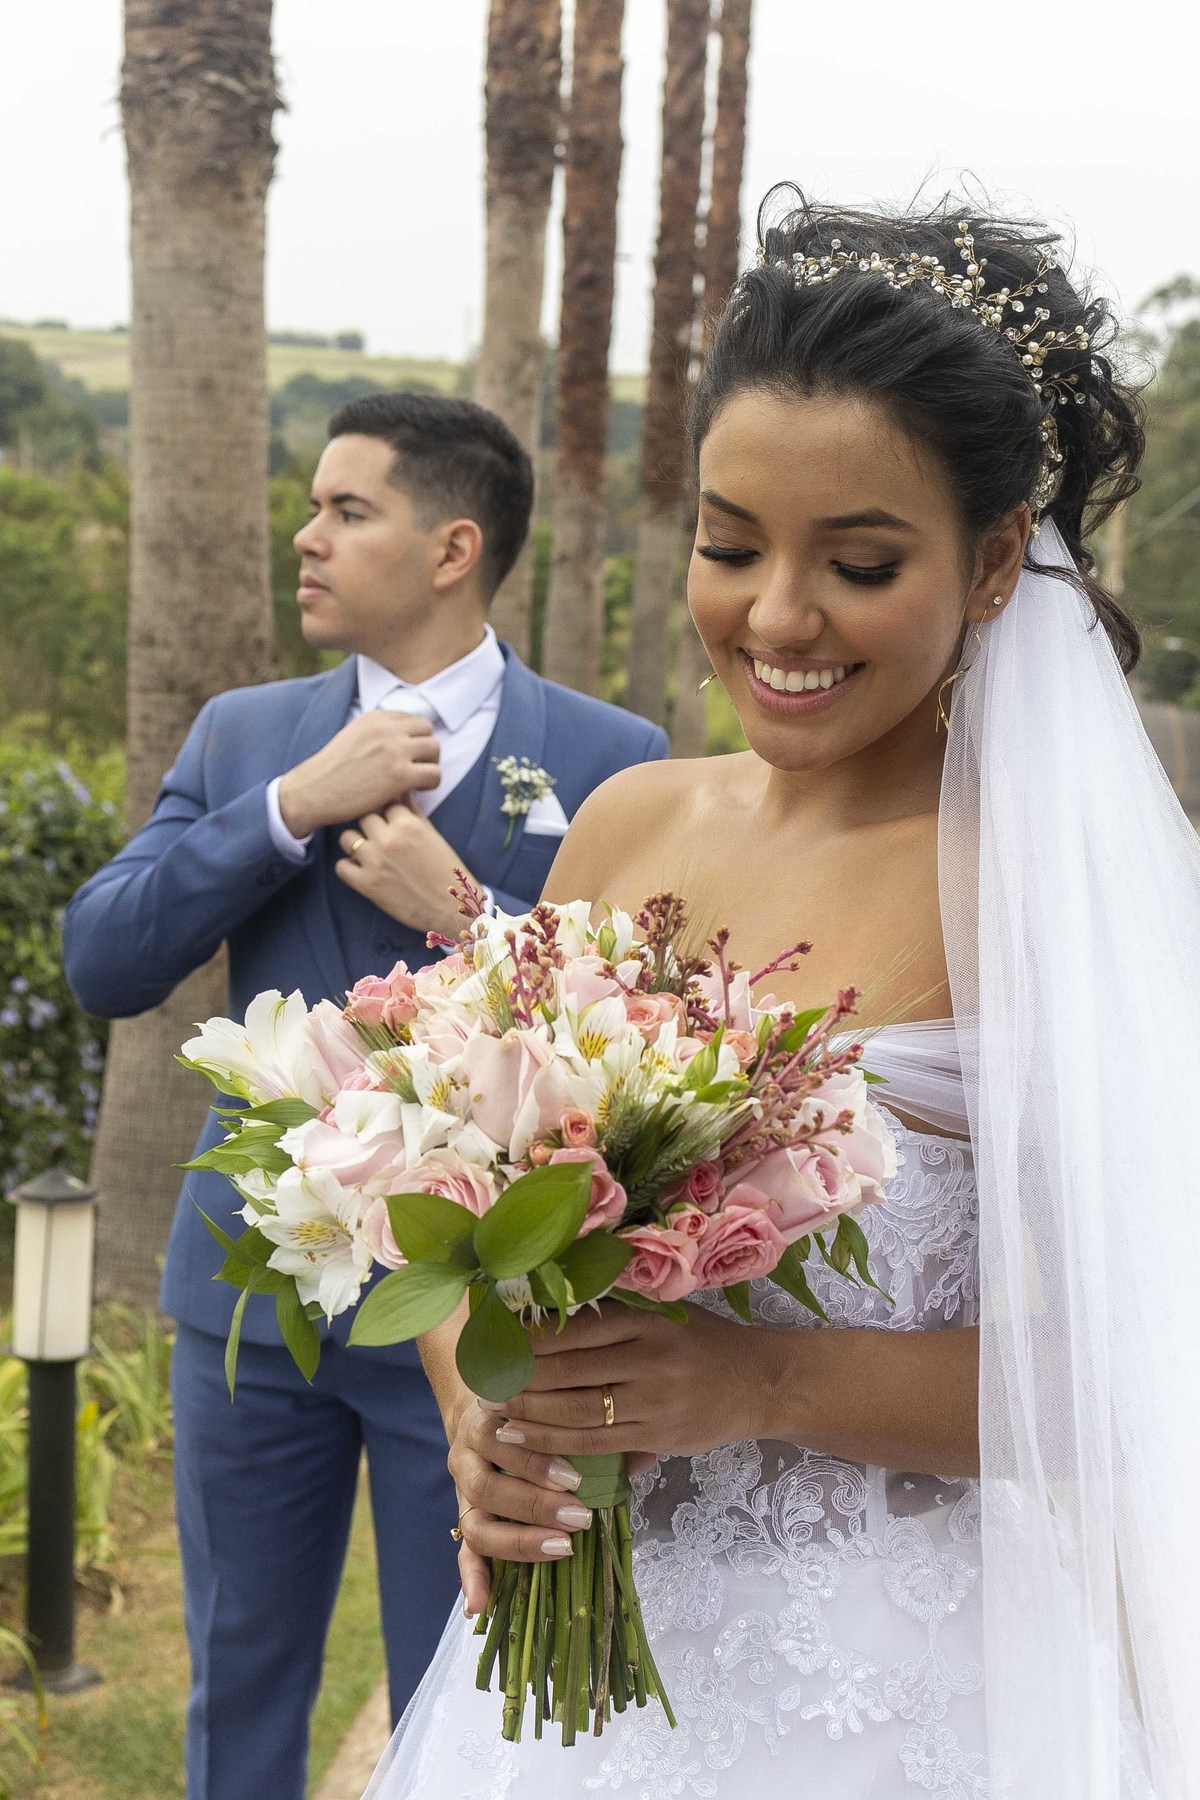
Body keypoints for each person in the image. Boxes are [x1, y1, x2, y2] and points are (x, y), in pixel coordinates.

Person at [363, 198, 1200, 1799]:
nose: (777, 618)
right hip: (571, 1689)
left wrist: (761, 1383)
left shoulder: (1035, 894)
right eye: (730, 543)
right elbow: (474, 1210)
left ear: (995, 564)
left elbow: (1140, 1365)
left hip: (900, 1689)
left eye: (861, 562)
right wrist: (485, 1408)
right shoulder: (629, 825)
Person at [62, 389, 669, 1800]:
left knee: (466, 1686)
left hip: (485, 1313)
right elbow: (106, 956)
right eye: (312, 506)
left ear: (453, 546)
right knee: (244, 1672)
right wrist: (288, 806)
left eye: (348, 509)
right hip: (253, 1295)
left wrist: (466, 907)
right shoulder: (243, 733)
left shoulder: (613, 759)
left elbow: (642, 1026)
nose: (307, 535)